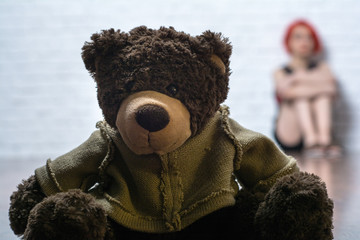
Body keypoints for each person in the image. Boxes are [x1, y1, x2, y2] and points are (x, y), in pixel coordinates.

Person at [273, 19, 341, 158]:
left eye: (308, 37)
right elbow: (286, 92)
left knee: (321, 98)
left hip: (319, 131)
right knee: (302, 98)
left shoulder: (322, 67)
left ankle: (323, 141)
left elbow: (332, 90)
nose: (304, 41)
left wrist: (296, 79)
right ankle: (312, 142)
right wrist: (318, 84)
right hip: (291, 134)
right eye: (298, 37)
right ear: (289, 42)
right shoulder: (280, 71)